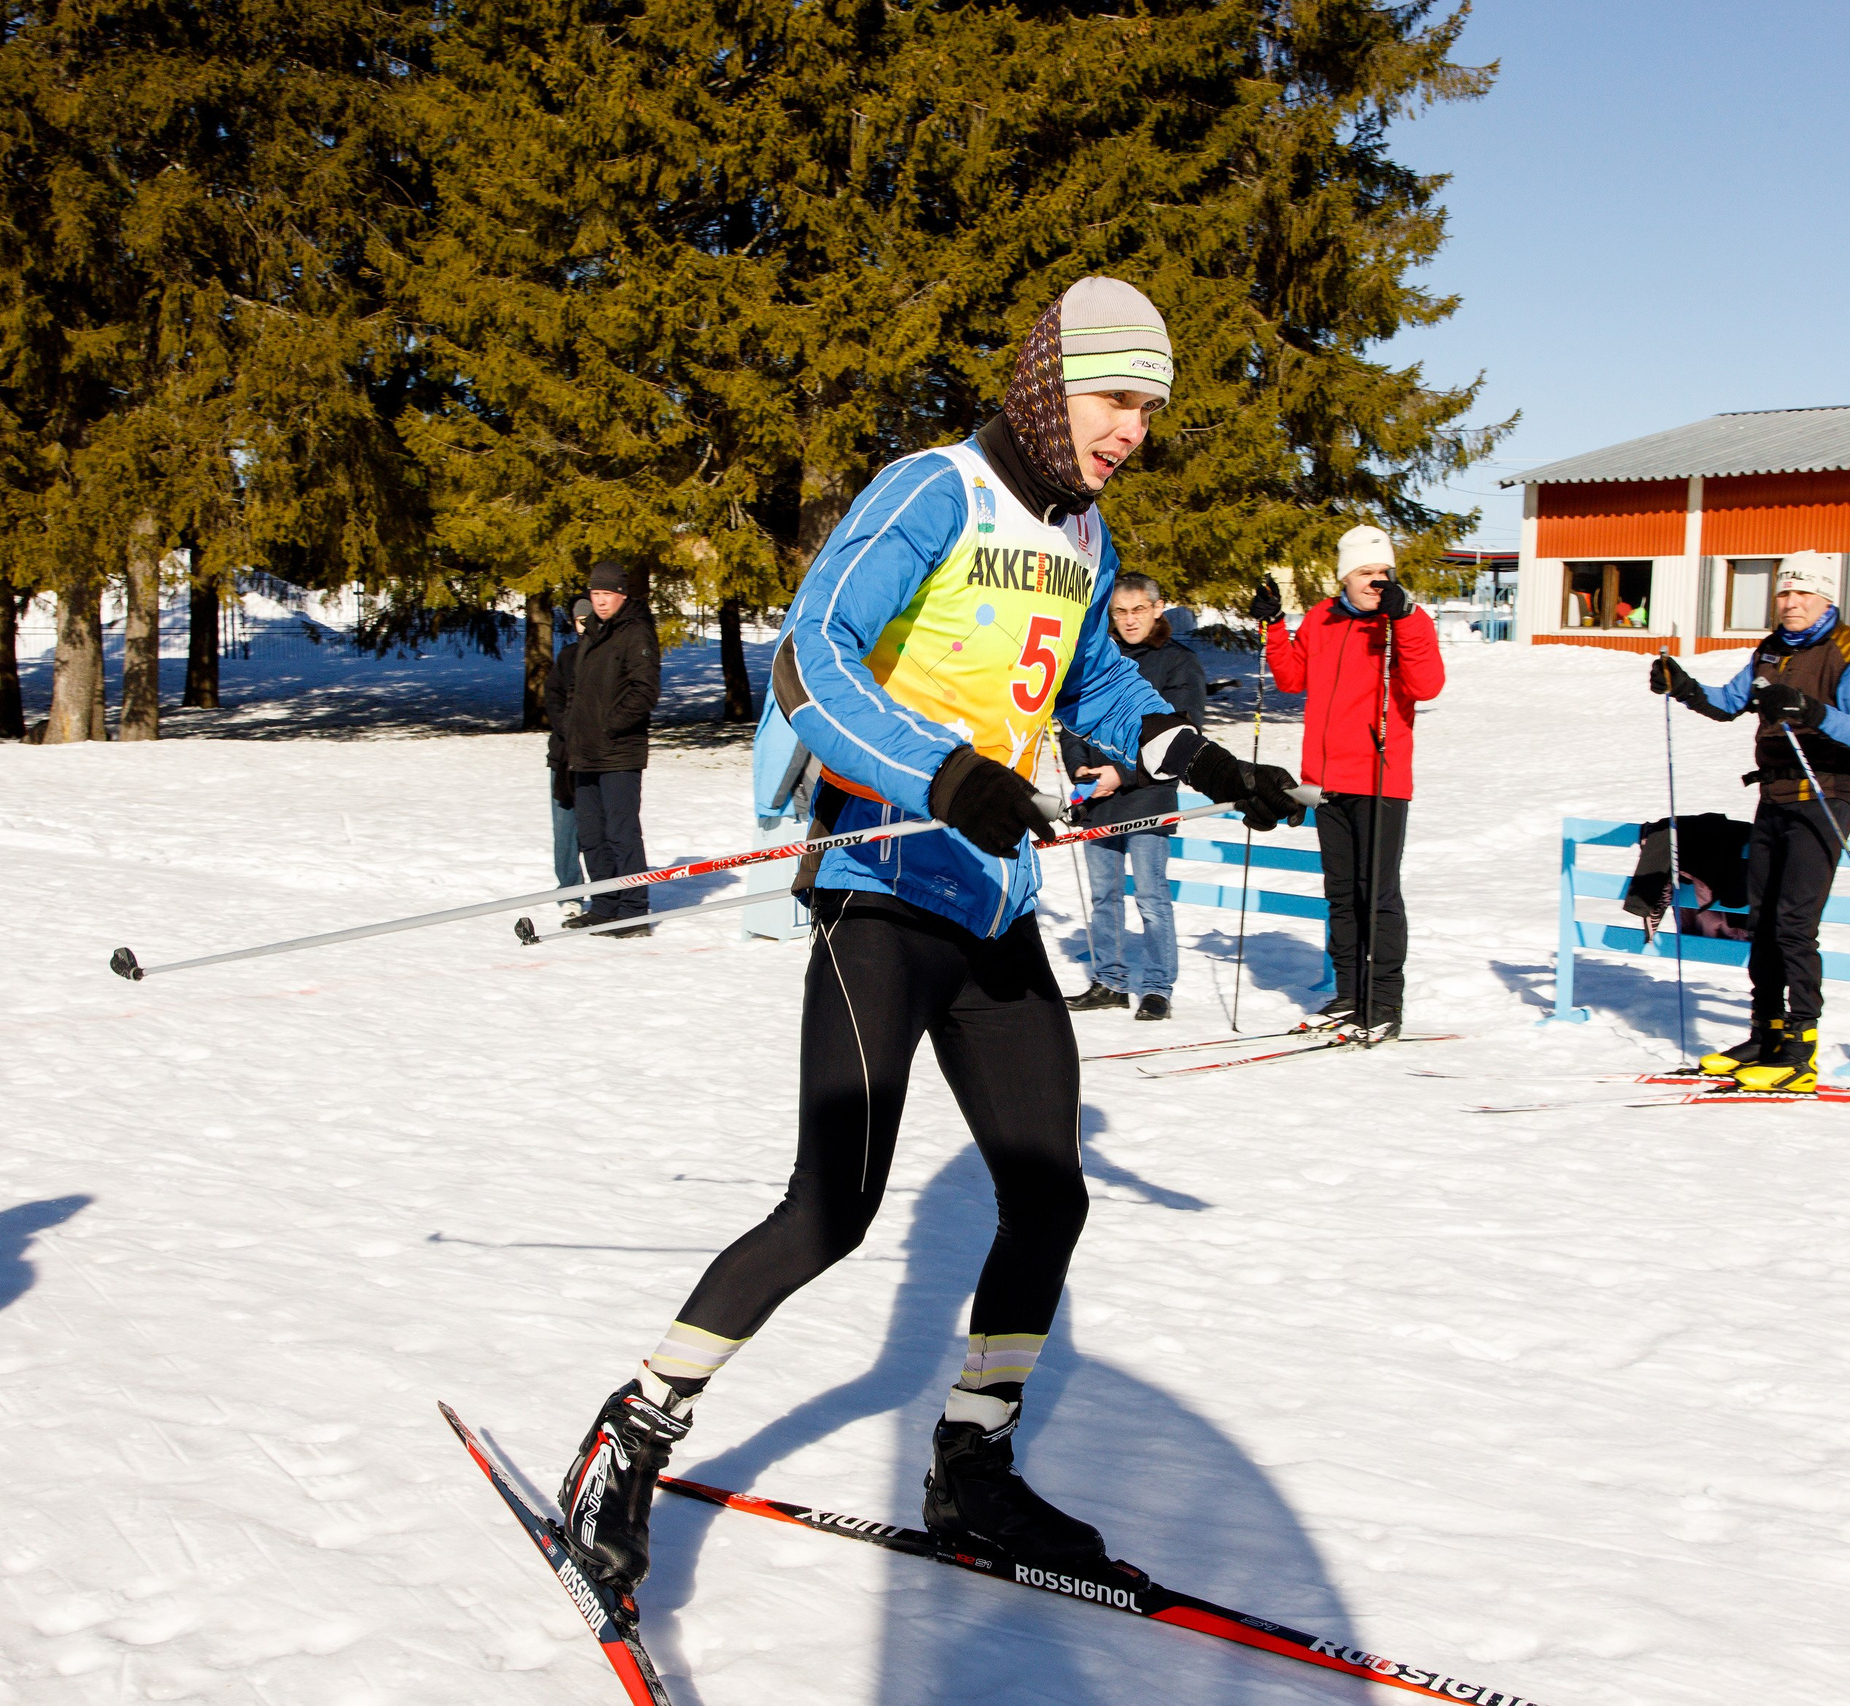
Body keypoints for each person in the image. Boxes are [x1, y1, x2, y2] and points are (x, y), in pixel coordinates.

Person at [556, 277, 1305, 1594]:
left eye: (1147, 411)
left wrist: (1194, 752)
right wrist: (943, 774)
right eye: (1116, 399)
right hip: (882, 888)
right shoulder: (934, 492)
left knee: (1050, 1191)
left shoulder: (1085, 536)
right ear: (1049, 380)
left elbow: (1091, 681)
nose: (1131, 430)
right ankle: (632, 1432)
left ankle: (973, 1461)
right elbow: (812, 660)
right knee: (833, 1207)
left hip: (995, 904)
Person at [1650, 548, 1850, 1093]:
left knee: (1794, 925)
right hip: (1775, 797)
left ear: (1827, 596)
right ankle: (1766, 1033)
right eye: (1784, 592)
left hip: (1825, 794)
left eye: (1803, 593)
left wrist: (1810, 710)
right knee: (1761, 921)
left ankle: (1801, 1050)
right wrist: (1681, 685)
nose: (1792, 603)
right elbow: (1729, 702)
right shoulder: (1771, 650)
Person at [1253, 526, 1444, 1040]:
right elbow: (1293, 679)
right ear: (1345, 576)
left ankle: (1383, 1002)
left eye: (1384, 573)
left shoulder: (1404, 619)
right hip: (1327, 781)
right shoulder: (1322, 616)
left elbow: (1428, 684)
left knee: (1377, 894)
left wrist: (1403, 620)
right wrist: (1274, 625)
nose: (1376, 581)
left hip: (1381, 779)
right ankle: (1350, 995)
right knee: (1340, 895)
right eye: (1366, 572)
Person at [1059, 573, 1206, 1021]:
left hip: (1148, 798)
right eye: (1120, 611)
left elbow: (1184, 735)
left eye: (1138, 609)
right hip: (1096, 798)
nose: (1129, 620)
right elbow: (1073, 717)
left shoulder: (1179, 664)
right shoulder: (1097, 658)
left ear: (1158, 608)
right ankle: (1110, 980)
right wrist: (1081, 770)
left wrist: (1119, 775)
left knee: (1150, 896)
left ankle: (1158, 986)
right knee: (1104, 896)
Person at [563, 563, 661, 934]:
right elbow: (579, 689)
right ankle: (604, 903)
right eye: (596, 595)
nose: (601, 602)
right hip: (585, 751)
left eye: (607, 595)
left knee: (621, 832)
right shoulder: (593, 632)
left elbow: (644, 691)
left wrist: (609, 726)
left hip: (619, 751)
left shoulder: (636, 632)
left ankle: (634, 909)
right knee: (590, 833)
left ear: (622, 595)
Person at [544, 598, 595, 914]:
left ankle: (606, 892)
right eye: (579, 620)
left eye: (589, 620)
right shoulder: (567, 657)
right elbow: (553, 701)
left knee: (597, 831)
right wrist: (570, 732)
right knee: (564, 831)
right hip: (563, 757)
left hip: (597, 758)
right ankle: (570, 894)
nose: (584, 626)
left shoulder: (607, 657)